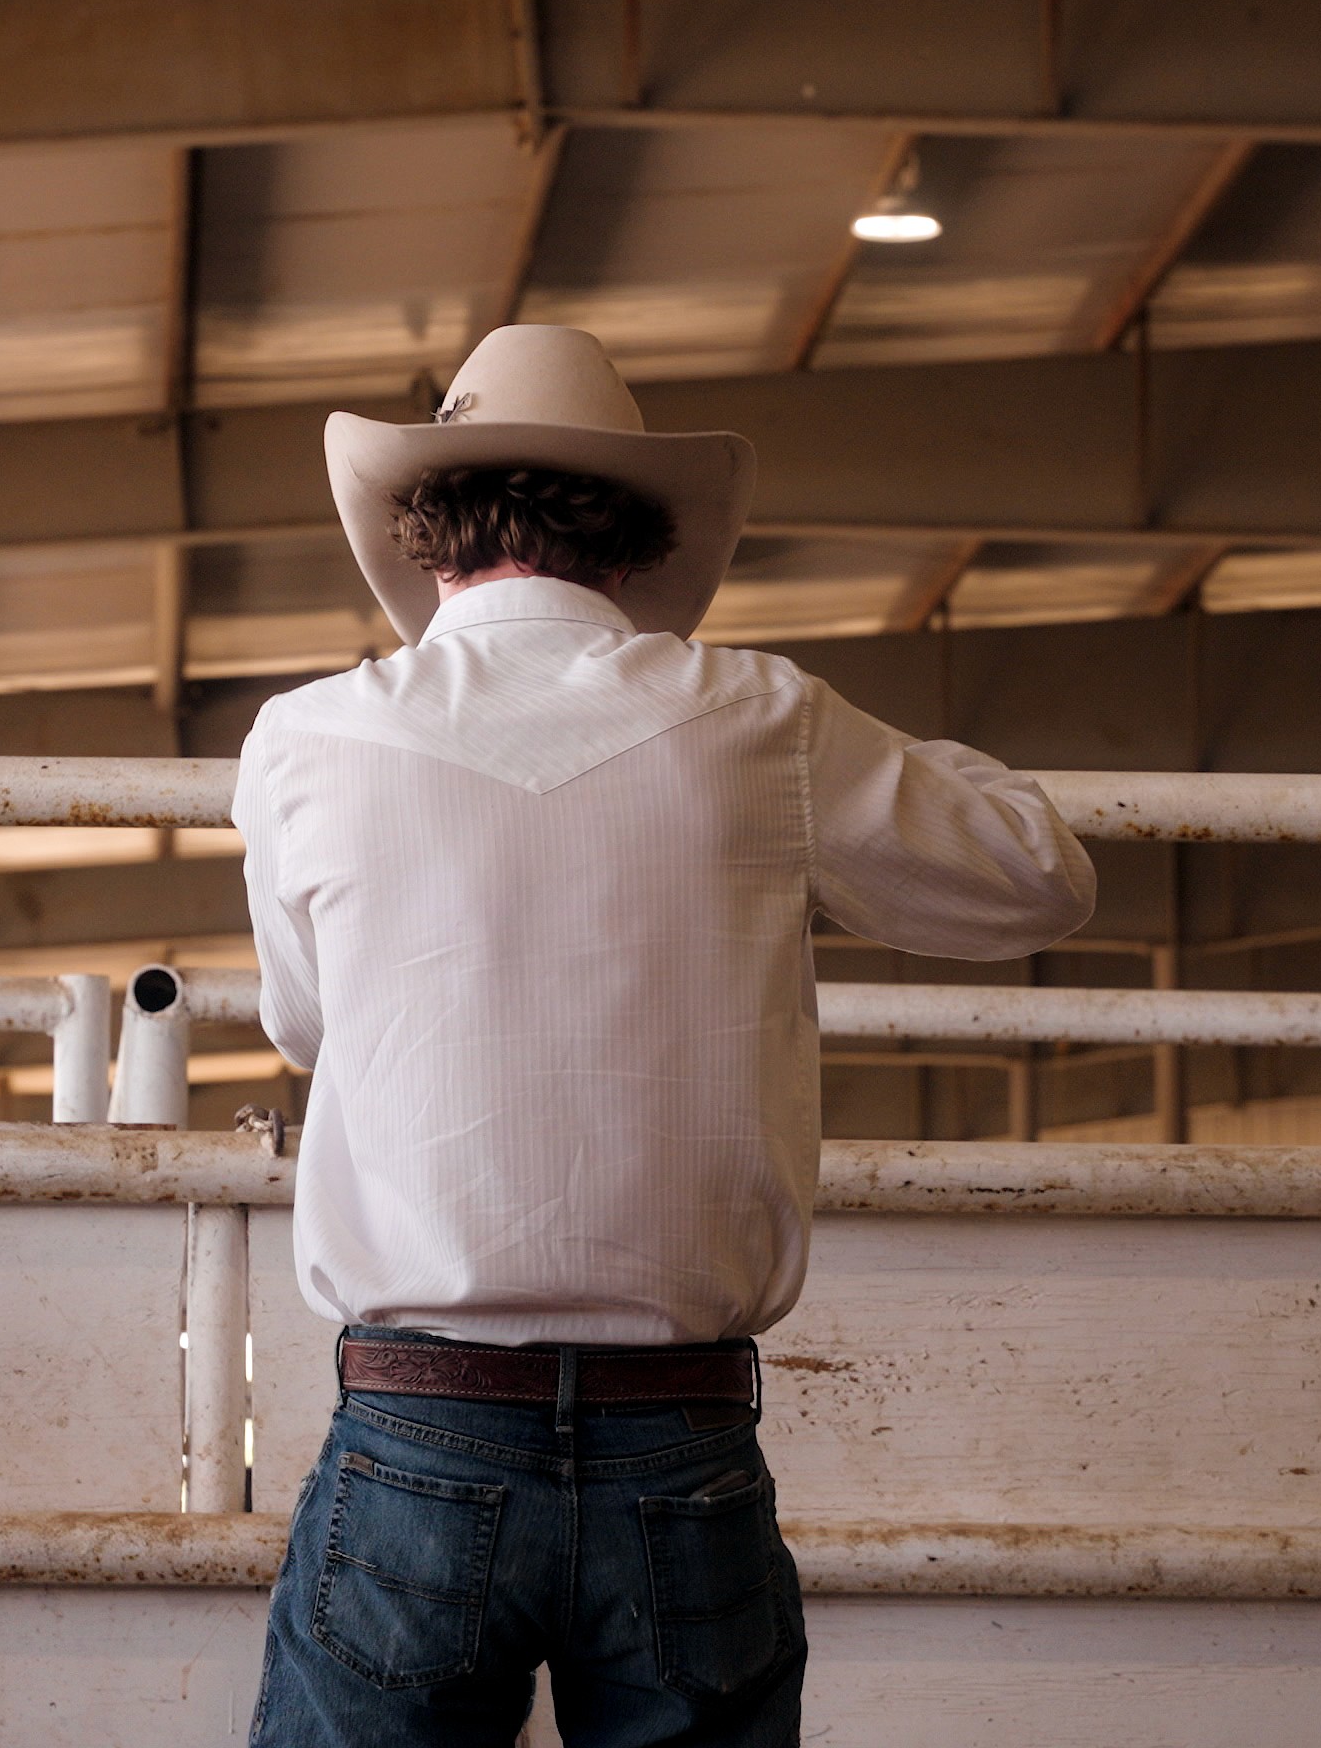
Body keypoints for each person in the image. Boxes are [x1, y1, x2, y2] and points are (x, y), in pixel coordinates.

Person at [233, 325, 1094, 1747]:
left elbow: (311, 1022)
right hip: (679, 1442)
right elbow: (1037, 875)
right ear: (633, 547)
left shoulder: (307, 741)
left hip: (418, 1428)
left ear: (426, 539)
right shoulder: (761, 722)